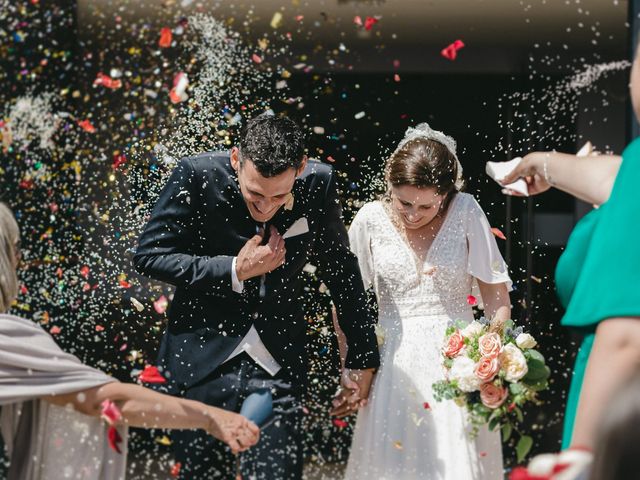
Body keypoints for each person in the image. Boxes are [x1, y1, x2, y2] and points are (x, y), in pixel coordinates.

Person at [133, 114, 380, 479]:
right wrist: (234, 269)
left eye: (280, 196)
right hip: (201, 359)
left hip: (278, 359)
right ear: (236, 160)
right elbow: (150, 256)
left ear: (299, 169)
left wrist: (361, 357)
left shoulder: (319, 182)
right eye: (255, 193)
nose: (266, 206)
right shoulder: (196, 175)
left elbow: (342, 273)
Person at [0, 202, 259, 480]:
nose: (19, 260)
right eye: (14, 249)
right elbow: (106, 401)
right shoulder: (7, 337)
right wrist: (210, 417)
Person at [336, 124, 512, 480]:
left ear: (446, 194)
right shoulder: (369, 219)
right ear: (390, 182)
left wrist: (492, 364)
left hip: (457, 366)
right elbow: (345, 302)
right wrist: (352, 368)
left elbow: (496, 298)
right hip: (391, 367)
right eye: (404, 203)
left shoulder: (466, 210)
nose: (413, 214)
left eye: (425, 206)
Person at [498, 41, 640, 474]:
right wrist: (542, 162)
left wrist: (581, 457)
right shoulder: (628, 173)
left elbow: (627, 335)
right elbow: (614, 177)